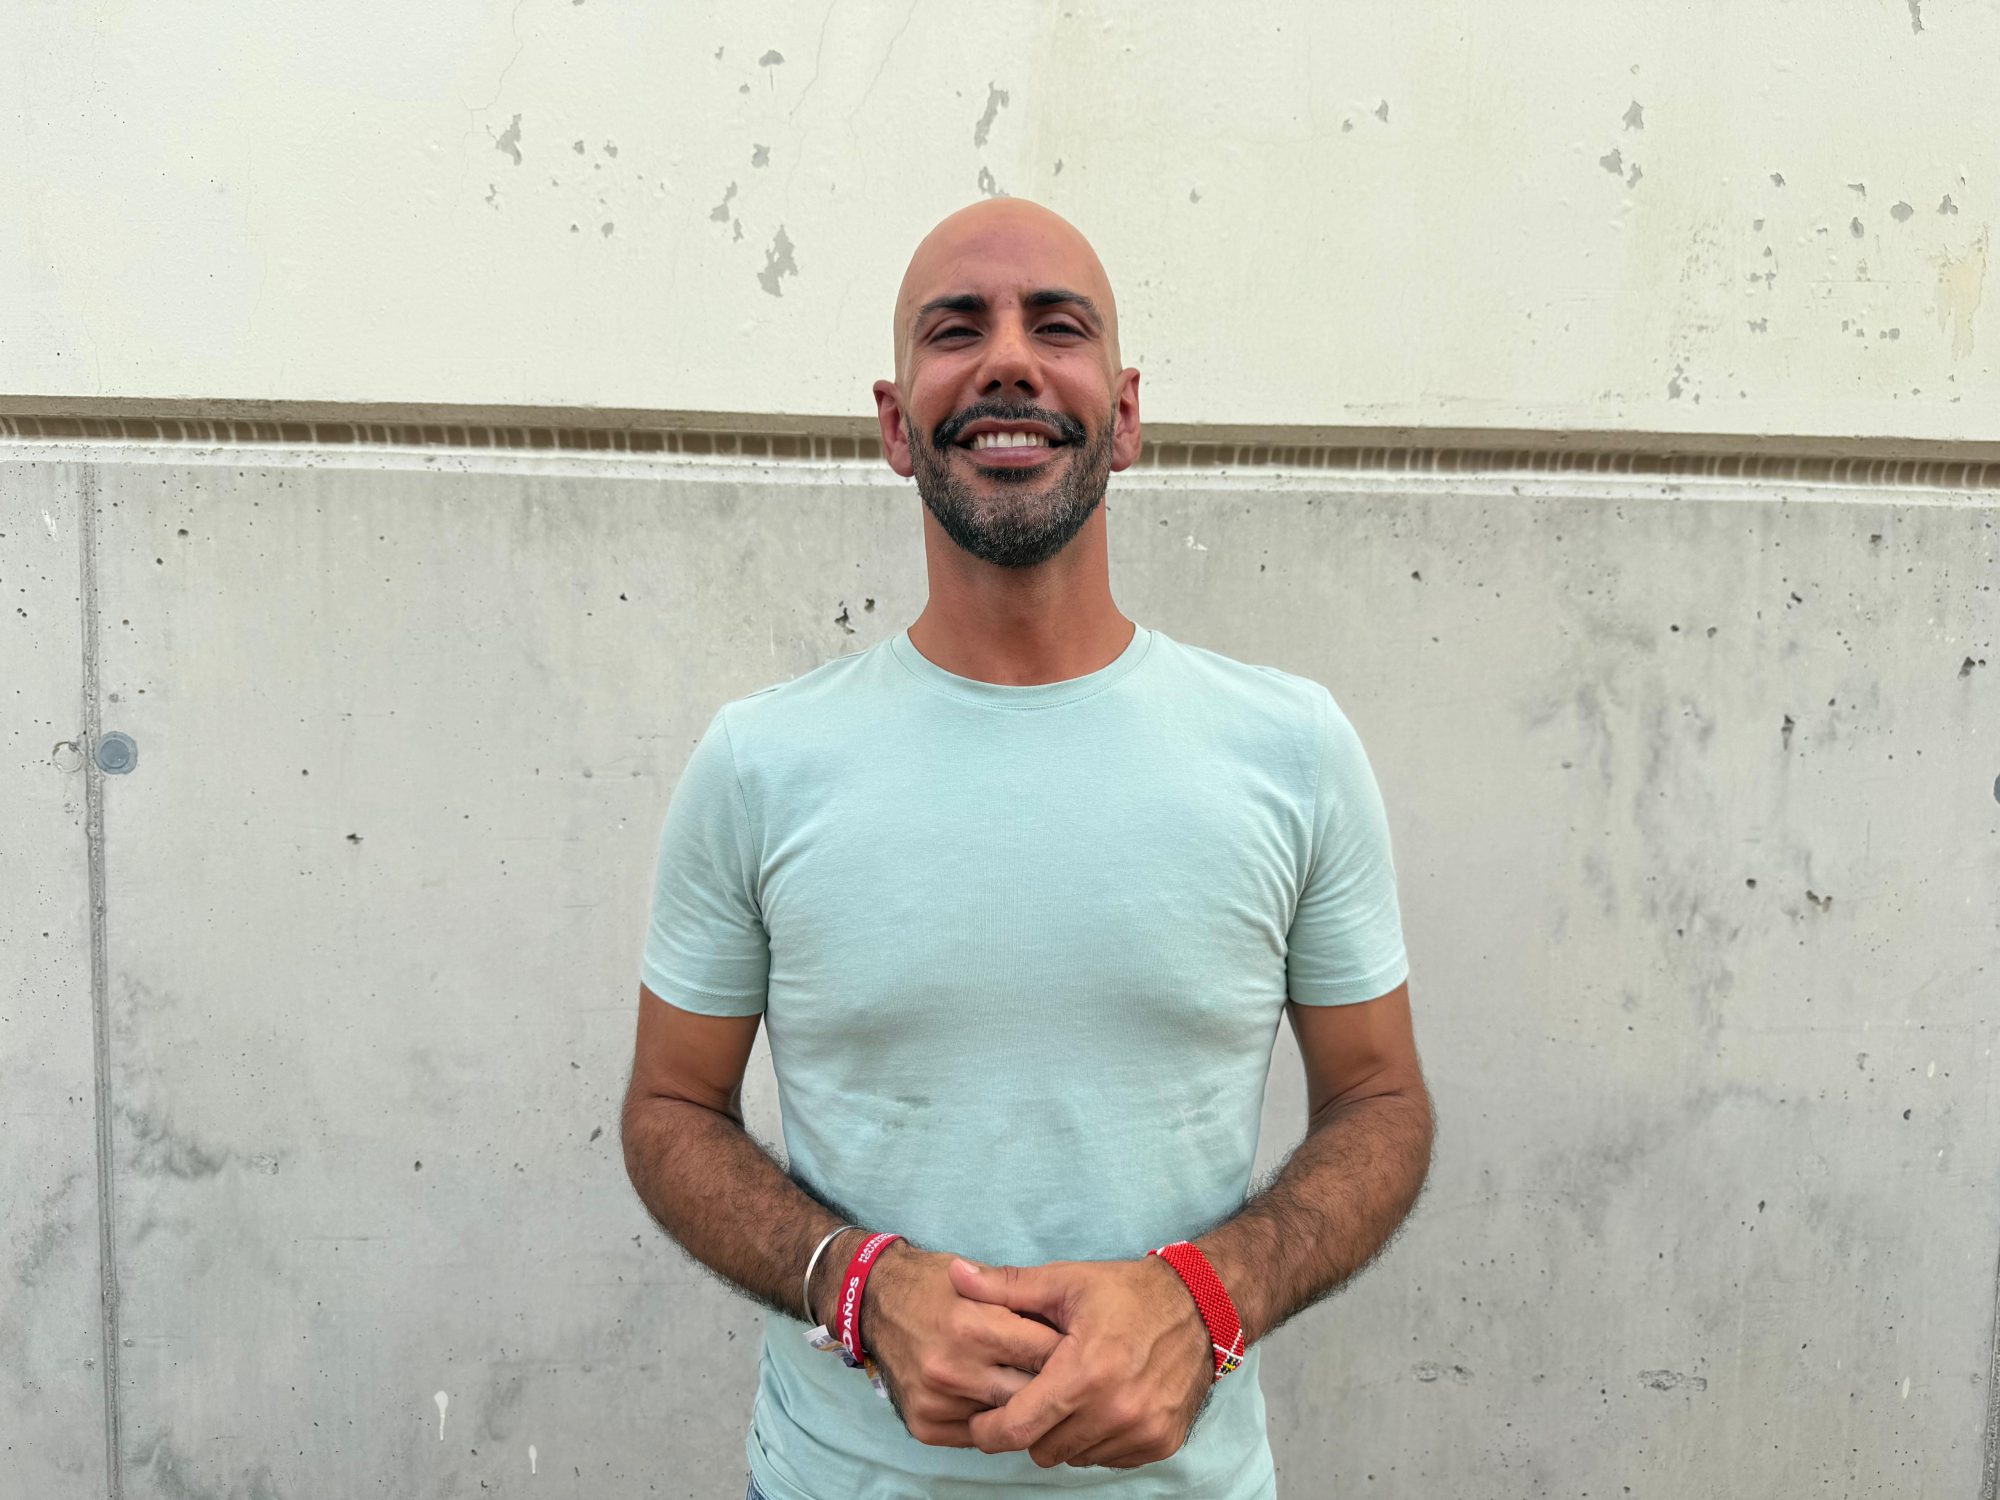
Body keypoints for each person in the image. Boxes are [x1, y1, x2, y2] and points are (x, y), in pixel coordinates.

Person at [620, 197, 1435, 1500]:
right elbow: (669, 1110)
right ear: (898, 424)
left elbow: (1381, 1100)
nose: (1008, 358)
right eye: (958, 330)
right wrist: (853, 1286)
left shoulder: (1291, 750)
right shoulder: (759, 764)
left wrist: (1212, 1297)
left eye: (1058, 327)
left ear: (1127, 413)